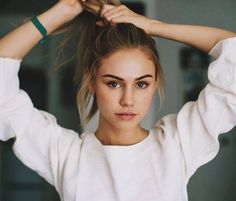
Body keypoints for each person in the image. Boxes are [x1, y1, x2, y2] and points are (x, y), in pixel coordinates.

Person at [0, 0, 235, 200]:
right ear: (91, 81)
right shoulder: (66, 154)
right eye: (114, 83)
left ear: (156, 83)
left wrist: (152, 26)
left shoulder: (178, 144)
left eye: (141, 84)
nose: (128, 100)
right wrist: (60, 12)